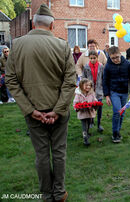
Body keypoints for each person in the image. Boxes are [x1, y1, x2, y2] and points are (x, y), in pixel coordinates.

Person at [5, 4, 76, 202]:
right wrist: (58, 110)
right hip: (57, 110)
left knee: (42, 154)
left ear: (33, 23)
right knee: (59, 152)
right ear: (52, 25)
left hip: (34, 111)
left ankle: (47, 194)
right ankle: (59, 193)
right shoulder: (62, 46)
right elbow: (70, 82)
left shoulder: (17, 45)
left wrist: (30, 109)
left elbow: (11, 80)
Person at [103, 46, 130, 143]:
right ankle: (115, 132)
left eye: (117, 57)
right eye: (112, 58)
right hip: (114, 92)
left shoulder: (127, 64)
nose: (115, 60)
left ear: (120, 54)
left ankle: (118, 130)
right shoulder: (108, 66)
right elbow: (105, 81)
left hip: (124, 92)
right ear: (109, 57)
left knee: (122, 113)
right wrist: (107, 95)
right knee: (117, 111)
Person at [82, 50, 104, 132]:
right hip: (90, 91)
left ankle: (99, 124)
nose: (92, 60)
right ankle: (91, 121)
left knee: (99, 108)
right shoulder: (86, 67)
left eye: (94, 58)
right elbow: (83, 79)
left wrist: (104, 89)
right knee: (91, 108)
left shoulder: (101, 66)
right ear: (89, 58)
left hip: (99, 90)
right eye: (91, 58)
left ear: (97, 58)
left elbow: (103, 78)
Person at [73, 78, 97, 146]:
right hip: (82, 113)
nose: (88, 87)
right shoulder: (78, 94)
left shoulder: (92, 93)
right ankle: (85, 139)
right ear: (81, 86)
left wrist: (95, 103)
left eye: (89, 85)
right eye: (86, 85)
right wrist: (80, 105)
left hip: (90, 112)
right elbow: (75, 103)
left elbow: (94, 100)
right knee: (84, 125)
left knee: (89, 123)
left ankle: (87, 133)